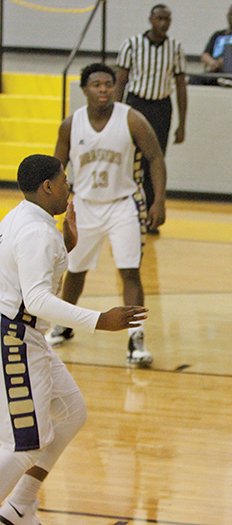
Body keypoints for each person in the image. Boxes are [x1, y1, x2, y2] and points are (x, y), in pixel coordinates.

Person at [0, 154, 147, 525]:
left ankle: (20, 505)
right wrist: (100, 320)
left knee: (70, 413)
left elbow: (25, 271)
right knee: (24, 446)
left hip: (25, 335)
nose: (69, 186)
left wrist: (64, 246)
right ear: (48, 186)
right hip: (14, 338)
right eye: (64, 180)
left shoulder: (23, 218)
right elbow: (35, 299)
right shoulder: (35, 230)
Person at [46, 63, 166, 368]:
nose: (103, 89)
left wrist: (159, 201)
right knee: (74, 270)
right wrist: (50, 207)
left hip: (123, 204)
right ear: (84, 88)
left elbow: (155, 157)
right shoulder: (71, 125)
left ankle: (136, 338)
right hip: (84, 205)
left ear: (114, 87)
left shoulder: (131, 119)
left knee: (129, 270)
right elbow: (56, 169)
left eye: (108, 84)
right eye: (96, 84)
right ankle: (65, 322)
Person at [115, 3, 186, 235]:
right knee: (133, 161)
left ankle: (150, 214)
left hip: (161, 108)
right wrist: (115, 113)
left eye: (167, 19)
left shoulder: (175, 48)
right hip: (136, 104)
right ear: (150, 19)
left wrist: (182, 123)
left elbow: (181, 86)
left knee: (156, 160)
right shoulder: (131, 45)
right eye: (159, 18)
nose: (163, 23)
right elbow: (121, 81)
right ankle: (128, 213)